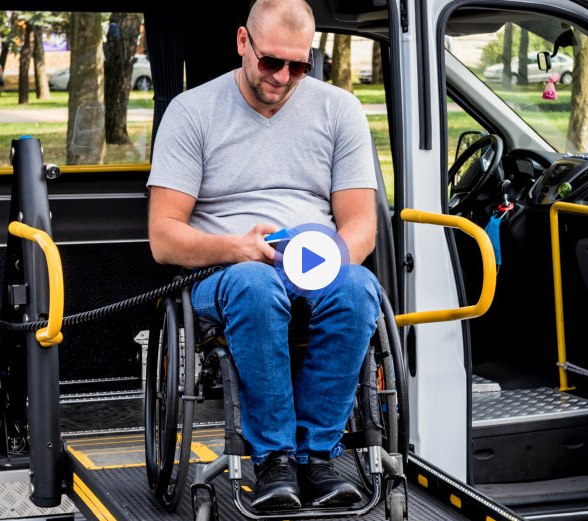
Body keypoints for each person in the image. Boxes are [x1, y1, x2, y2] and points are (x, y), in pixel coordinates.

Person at [145, 0, 379, 512]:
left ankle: (317, 458)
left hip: (312, 257)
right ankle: (273, 459)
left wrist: (330, 257)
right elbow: (163, 238)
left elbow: (361, 224)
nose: (283, 77)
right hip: (225, 268)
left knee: (360, 289)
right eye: (271, 61)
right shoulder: (192, 111)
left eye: (299, 66)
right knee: (255, 284)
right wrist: (238, 247)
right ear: (242, 42)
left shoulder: (339, 109)